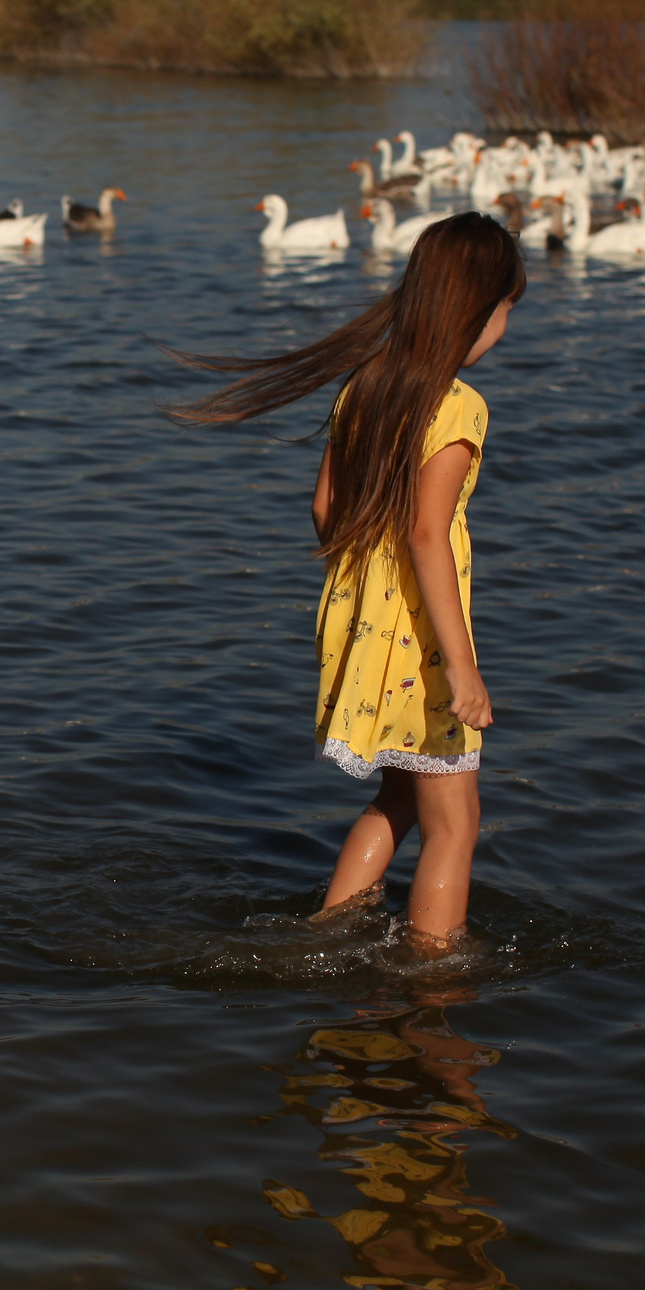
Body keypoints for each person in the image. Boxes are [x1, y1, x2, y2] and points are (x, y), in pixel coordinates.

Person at [173, 214, 524, 947]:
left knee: (400, 795)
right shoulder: (460, 407)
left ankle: (326, 935)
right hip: (424, 648)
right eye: (506, 309)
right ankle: (433, 971)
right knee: (456, 822)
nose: (505, 328)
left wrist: (369, 592)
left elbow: (324, 508)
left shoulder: (364, 386)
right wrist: (463, 668)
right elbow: (427, 533)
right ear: (479, 308)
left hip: (363, 633)